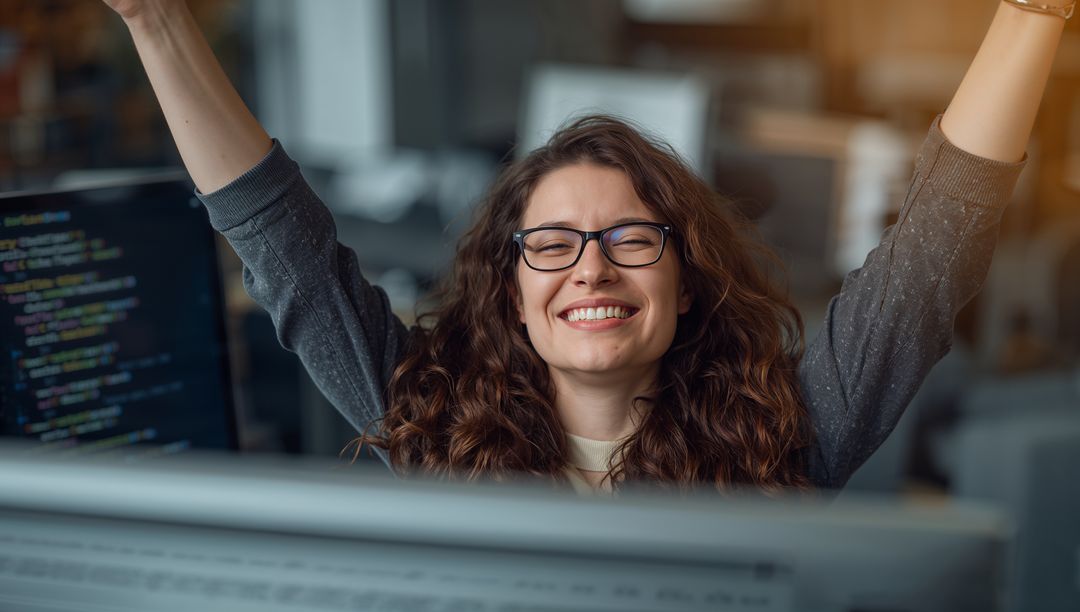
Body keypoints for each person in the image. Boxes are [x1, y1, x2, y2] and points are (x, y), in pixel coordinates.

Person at [102, 0, 1069, 495]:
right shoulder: (432, 428)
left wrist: (1035, 14)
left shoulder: (789, 439)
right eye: (553, 245)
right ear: (512, 293)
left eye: (629, 238)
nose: (591, 268)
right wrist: (154, 18)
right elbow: (285, 245)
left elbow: (930, 259)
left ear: (686, 282)